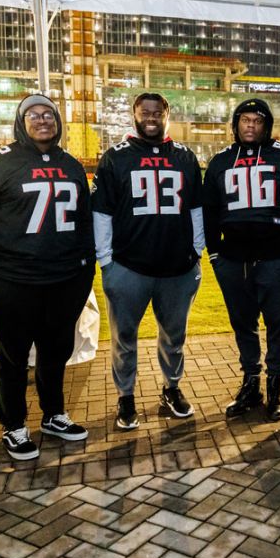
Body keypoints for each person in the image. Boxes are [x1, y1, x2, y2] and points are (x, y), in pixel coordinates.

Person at [0, 94, 95, 460]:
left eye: (49, 114)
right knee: (13, 358)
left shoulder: (71, 164)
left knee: (56, 353)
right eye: (33, 115)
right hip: (15, 280)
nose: (42, 121)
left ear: (58, 120)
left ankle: (53, 414)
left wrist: (85, 270)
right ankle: (15, 425)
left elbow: (85, 222)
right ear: (20, 122)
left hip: (65, 279)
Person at [93, 92, 204, 429]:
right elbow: (101, 213)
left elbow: (196, 208)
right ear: (135, 115)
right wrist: (106, 263)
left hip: (178, 267)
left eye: (158, 111)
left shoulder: (185, 156)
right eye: (145, 111)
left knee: (174, 336)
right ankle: (125, 396)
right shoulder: (115, 157)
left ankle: (171, 388)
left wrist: (197, 251)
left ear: (167, 114)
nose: (151, 117)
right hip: (129, 266)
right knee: (123, 337)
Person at [203, 98, 280, 421]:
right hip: (233, 258)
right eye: (245, 120)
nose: (250, 125)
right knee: (243, 324)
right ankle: (251, 382)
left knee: (278, 324)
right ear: (236, 124)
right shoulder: (221, 161)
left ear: (267, 125)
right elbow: (209, 210)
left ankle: (275, 383)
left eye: (257, 120)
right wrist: (213, 253)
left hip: (277, 257)